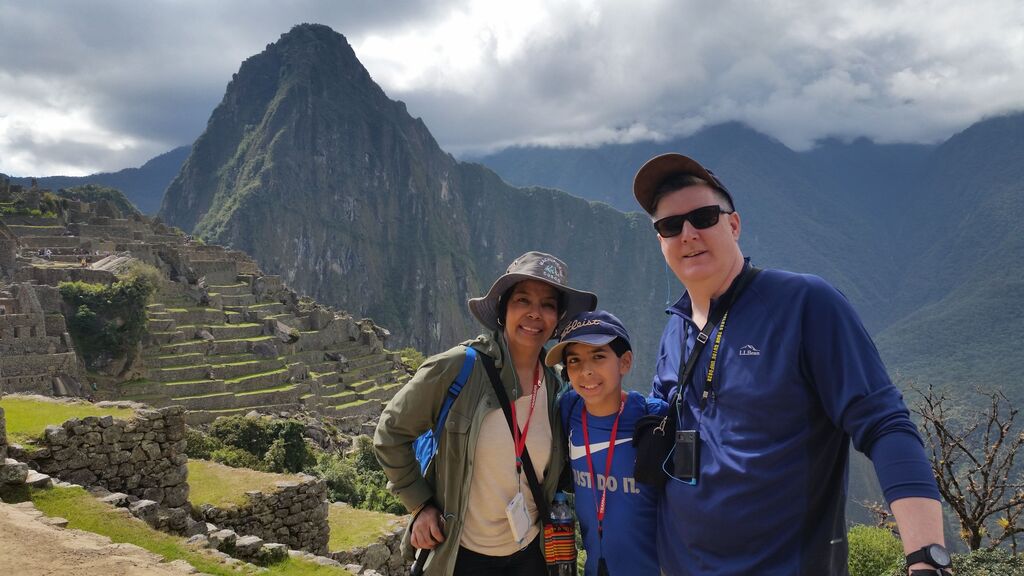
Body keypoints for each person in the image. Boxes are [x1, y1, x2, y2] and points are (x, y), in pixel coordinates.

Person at [632, 153, 949, 576]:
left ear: (734, 225)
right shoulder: (677, 326)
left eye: (704, 217)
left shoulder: (803, 305)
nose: (688, 234)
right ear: (661, 242)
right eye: (671, 226)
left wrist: (927, 558)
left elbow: (884, 424)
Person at [374, 251, 597, 576]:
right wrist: (420, 504)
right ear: (504, 309)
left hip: (530, 555)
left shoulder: (557, 387)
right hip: (462, 556)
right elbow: (390, 433)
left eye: (547, 305)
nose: (535, 313)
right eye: (523, 300)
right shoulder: (458, 368)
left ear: (558, 318)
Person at [548, 310, 666, 576]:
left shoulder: (653, 419)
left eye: (598, 356)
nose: (586, 370)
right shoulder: (569, 409)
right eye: (574, 360)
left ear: (625, 362)